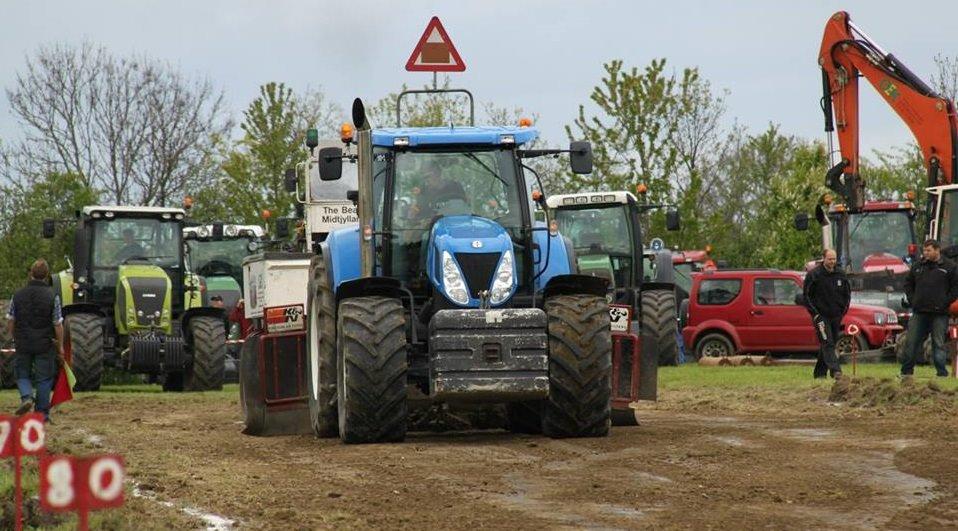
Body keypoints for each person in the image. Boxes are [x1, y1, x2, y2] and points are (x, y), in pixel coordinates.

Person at [6, 259, 64, 421]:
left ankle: (26, 397)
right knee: (44, 379)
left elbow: (11, 320)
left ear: (31, 273)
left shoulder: (17, 295)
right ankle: (42, 415)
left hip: (23, 342)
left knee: (22, 374)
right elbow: (58, 324)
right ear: (47, 275)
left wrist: (13, 338)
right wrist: (60, 346)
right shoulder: (53, 296)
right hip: (44, 344)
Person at [901, 239, 958, 378]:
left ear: (937, 250)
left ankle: (941, 373)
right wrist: (913, 300)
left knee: (938, 343)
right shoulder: (917, 266)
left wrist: (945, 302)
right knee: (911, 342)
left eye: (928, 250)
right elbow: (908, 283)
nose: (925, 253)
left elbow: (956, 287)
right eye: (924, 250)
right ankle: (906, 372)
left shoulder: (949, 267)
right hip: (919, 311)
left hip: (940, 313)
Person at [803, 248, 851, 379]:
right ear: (824, 258)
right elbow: (806, 296)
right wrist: (815, 314)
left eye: (834, 259)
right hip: (821, 316)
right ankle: (836, 371)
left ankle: (819, 373)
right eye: (830, 259)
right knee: (827, 342)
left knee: (829, 344)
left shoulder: (841, 274)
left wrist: (843, 311)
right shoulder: (814, 275)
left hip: (836, 315)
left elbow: (847, 294)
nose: (832, 262)